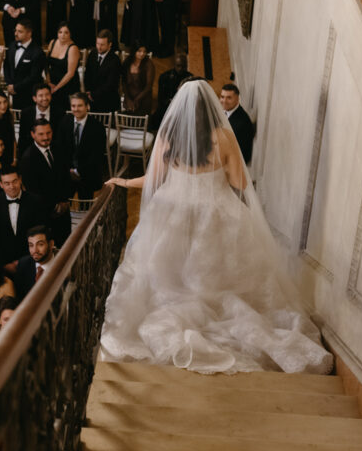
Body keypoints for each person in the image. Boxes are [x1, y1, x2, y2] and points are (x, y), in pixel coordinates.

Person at [101, 80, 333, 374]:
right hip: (217, 214)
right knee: (217, 280)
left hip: (172, 213)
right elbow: (240, 185)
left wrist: (123, 182)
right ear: (211, 108)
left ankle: (177, 315)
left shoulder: (169, 137)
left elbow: (154, 179)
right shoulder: (223, 137)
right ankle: (213, 315)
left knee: (167, 276)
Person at [18, 119, 71, 247]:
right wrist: (55, 206)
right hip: (45, 215)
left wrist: (65, 201)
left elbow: (65, 176)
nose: (46, 137)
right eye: (41, 134)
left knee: (66, 245)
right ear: (33, 135)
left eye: (48, 133)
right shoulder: (28, 159)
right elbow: (33, 192)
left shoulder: (58, 148)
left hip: (63, 210)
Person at [0, 166, 42, 273]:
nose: (11, 186)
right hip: (4, 265)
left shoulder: (35, 201)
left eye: (14, 181)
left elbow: (40, 233)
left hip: (30, 262)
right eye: (7, 183)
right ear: (1, 184)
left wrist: (24, 261)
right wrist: (4, 263)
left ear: (20, 180)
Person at [56, 92, 107, 199]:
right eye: (73, 106)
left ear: (87, 106)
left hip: (87, 175)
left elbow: (97, 155)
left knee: (85, 208)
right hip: (67, 173)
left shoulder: (97, 127)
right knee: (63, 203)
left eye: (80, 105)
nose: (76, 109)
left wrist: (78, 171)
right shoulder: (65, 122)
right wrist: (69, 170)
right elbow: (60, 149)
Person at [3, 19, 45, 104]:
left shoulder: (37, 52)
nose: (15, 34)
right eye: (15, 31)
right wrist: (9, 84)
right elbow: (6, 65)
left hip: (28, 95)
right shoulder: (12, 45)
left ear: (29, 33)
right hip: (13, 92)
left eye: (20, 32)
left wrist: (16, 87)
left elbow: (34, 76)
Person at [16, 82, 60, 158]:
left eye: (47, 94)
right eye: (41, 95)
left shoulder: (59, 113)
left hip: (53, 155)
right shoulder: (26, 113)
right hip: (31, 155)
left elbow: (60, 140)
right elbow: (22, 140)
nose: (45, 98)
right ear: (34, 98)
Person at [151, 53, 193, 130]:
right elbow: (161, 99)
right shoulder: (164, 77)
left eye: (183, 66)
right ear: (174, 65)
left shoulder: (189, 78)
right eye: (178, 66)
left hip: (183, 109)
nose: (180, 69)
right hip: (166, 108)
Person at [46, 22, 81, 114]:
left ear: (70, 34)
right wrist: (48, 82)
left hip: (67, 85)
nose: (62, 35)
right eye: (60, 32)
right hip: (52, 83)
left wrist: (56, 88)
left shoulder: (73, 48)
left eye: (66, 33)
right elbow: (46, 64)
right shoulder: (52, 42)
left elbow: (70, 73)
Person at [14, 225, 56, 300]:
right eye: (31, 245)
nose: (35, 250)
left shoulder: (63, 265)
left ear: (51, 244)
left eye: (40, 244)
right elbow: (20, 298)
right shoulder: (23, 264)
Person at [85, 30, 121, 113]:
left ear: (110, 45)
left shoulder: (115, 60)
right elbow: (87, 75)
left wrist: (93, 95)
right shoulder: (93, 53)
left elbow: (111, 84)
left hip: (107, 101)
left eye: (102, 45)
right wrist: (88, 92)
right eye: (97, 43)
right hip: (92, 99)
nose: (99, 47)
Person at [220, 83, 255, 164]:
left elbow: (242, 155)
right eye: (222, 97)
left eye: (229, 98)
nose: (224, 101)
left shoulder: (242, 122)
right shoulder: (225, 112)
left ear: (237, 99)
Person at [122, 43, 155, 115]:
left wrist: (136, 100)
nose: (142, 53)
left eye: (144, 51)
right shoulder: (127, 62)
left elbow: (149, 86)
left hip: (143, 97)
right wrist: (127, 98)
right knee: (128, 119)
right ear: (134, 51)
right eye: (139, 51)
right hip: (130, 96)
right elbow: (123, 82)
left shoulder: (149, 64)